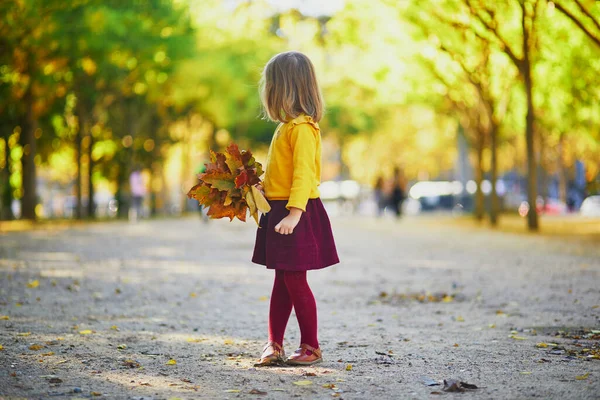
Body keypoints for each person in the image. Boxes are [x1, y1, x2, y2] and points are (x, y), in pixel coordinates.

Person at [252, 51, 339, 366]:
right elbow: (283, 171)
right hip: (279, 209)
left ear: (284, 89)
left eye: (271, 86)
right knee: (282, 278)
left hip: (296, 212)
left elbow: (304, 175)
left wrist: (294, 214)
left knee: (295, 279)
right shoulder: (286, 127)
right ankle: (274, 344)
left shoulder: (303, 128)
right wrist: (263, 187)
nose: (267, 93)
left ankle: (311, 345)